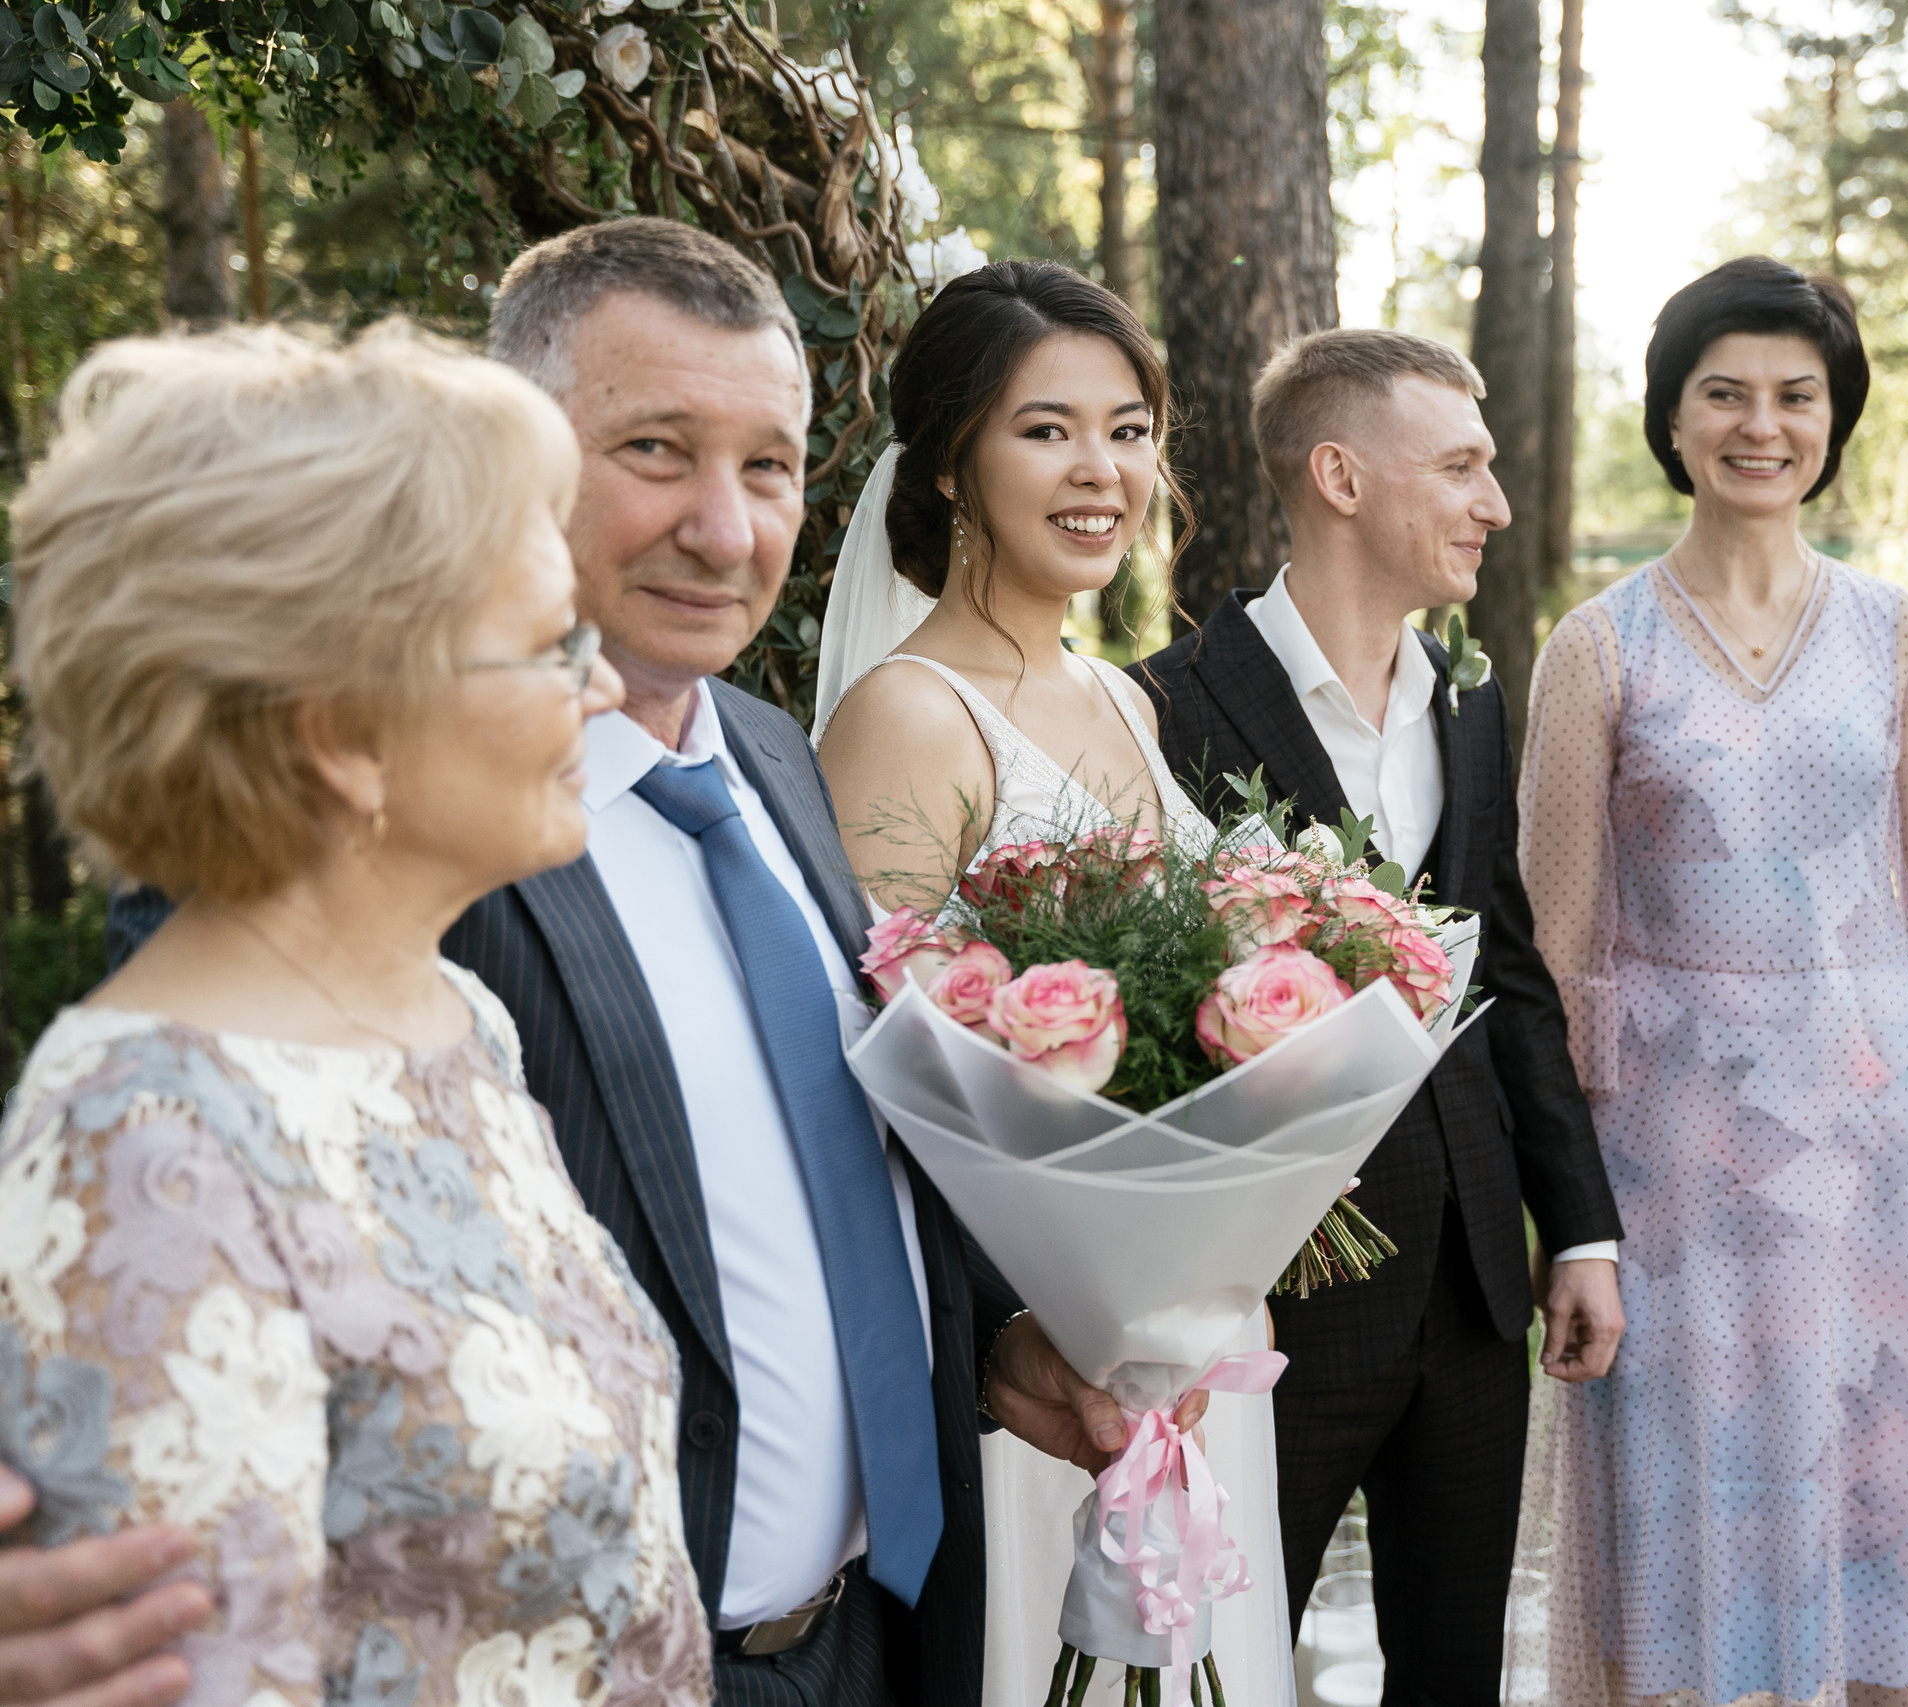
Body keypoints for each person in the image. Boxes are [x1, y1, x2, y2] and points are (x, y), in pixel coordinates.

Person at [76, 219, 1130, 1707]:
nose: (726, 526)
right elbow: (158, 1190)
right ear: (513, 466)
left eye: (767, 466)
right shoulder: (375, 824)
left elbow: (807, 1179)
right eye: (656, 449)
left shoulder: (773, 757)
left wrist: (980, 1362)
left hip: (877, 1629)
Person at [0, 322, 720, 1699]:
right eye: (543, 643)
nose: (605, 684)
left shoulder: (455, 1019)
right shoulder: (145, 1142)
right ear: (340, 731)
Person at [1503, 258, 1908, 1707]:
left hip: (1885, 1140)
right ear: (1675, 420)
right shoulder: (1596, 648)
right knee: (1690, 1488)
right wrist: (1564, 1210)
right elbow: (1556, 946)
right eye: (1726, 394)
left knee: (1880, 1493)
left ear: (1835, 418)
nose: (1763, 425)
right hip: (1673, 1156)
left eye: (1796, 397)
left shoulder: (1897, 636)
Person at [811, 260, 1292, 1706]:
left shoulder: (1118, 697)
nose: (1103, 471)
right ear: (953, 460)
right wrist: (1070, 1308)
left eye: (1131, 429)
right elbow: (904, 1077)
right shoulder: (907, 712)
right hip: (1038, 1362)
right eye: (1048, 430)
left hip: (1183, 1331)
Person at [1130, 328, 1626, 1704]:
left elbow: (1508, 977)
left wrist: (1576, 1224)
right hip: (1271, 1292)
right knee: (1221, 1665)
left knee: (1455, 1674)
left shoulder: (1469, 706)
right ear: (1341, 476)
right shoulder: (1159, 712)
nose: (1496, 504)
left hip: (1471, 1289)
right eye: (1462, 466)